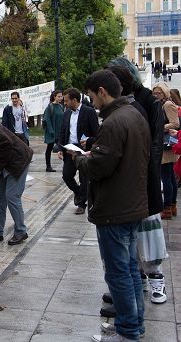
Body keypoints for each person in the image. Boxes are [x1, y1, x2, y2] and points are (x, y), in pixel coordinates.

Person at [73, 70, 149, 342]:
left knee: (119, 274)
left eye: (92, 97)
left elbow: (99, 167)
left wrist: (79, 159)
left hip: (115, 209)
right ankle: (133, 326)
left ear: (102, 92)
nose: (92, 103)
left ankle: (128, 332)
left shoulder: (114, 122)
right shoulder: (134, 115)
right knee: (129, 271)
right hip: (131, 204)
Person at [105, 57, 168, 309]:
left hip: (144, 179)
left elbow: (154, 143)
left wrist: (143, 174)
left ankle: (156, 279)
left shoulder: (149, 102)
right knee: (130, 237)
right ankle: (135, 281)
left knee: (149, 233)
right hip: (130, 183)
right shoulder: (127, 102)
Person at [57, 88, 99, 215]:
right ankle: (79, 192)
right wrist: (60, 148)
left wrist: (89, 142)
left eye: (66, 100)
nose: (64, 103)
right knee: (67, 175)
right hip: (69, 149)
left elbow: (97, 133)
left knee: (84, 178)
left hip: (83, 150)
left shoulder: (89, 112)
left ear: (74, 100)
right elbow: (63, 131)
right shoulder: (67, 113)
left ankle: (81, 204)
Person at [152, 81, 180, 219]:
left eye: (159, 92)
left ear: (165, 93)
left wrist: (159, 127)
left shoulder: (167, 104)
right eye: (155, 93)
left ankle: (167, 207)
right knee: (169, 177)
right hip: (167, 143)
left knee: (166, 177)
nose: (156, 95)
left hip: (167, 144)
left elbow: (175, 123)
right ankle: (172, 206)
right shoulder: (162, 104)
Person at [43, 90, 64, 172]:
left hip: (60, 132)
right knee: (49, 148)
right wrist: (51, 131)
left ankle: (66, 165)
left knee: (63, 148)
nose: (60, 98)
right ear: (54, 97)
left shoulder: (61, 106)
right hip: (52, 132)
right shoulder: (50, 107)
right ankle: (48, 166)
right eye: (59, 96)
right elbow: (47, 120)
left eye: (61, 96)